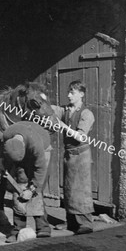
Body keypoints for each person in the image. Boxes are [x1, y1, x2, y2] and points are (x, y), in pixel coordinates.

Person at [52, 80, 95, 234]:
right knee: (69, 188)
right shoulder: (66, 110)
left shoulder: (86, 113)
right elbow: (51, 110)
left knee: (81, 189)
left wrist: (62, 126)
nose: (68, 95)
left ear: (81, 94)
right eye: (68, 92)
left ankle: (86, 224)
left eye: (72, 92)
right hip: (69, 154)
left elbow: (80, 137)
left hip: (81, 155)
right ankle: (71, 222)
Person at [0, 120, 52, 242]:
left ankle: (43, 227)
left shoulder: (35, 144)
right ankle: (17, 229)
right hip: (21, 152)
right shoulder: (7, 136)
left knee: (36, 193)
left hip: (44, 150)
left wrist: (32, 188)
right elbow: (3, 154)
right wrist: (3, 166)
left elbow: (40, 169)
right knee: (20, 186)